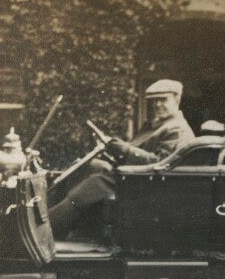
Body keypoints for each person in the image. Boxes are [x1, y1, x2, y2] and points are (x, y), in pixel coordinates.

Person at [49, 79, 195, 239]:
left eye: (163, 100)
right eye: (155, 101)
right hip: (138, 178)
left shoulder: (176, 129)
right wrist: (116, 149)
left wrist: (123, 149)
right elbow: (140, 153)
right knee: (86, 166)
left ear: (177, 99)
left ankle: (48, 229)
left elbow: (159, 163)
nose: (157, 105)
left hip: (147, 185)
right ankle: (63, 228)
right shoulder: (158, 125)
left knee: (95, 183)